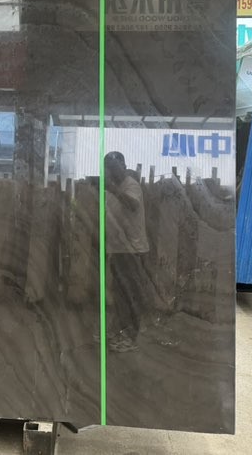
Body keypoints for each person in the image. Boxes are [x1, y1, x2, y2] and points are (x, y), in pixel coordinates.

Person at [104, 151, 149, 353]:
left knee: (131, 295)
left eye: (115, 167)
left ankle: (131, 337)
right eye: (109, 168)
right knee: (119, 294)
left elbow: (132, 205)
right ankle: (119, 331)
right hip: (118, 249)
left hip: (132, 250)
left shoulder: (131, 185)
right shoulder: (110, 189)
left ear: (123, 166)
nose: (112, 171)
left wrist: (113, 190)